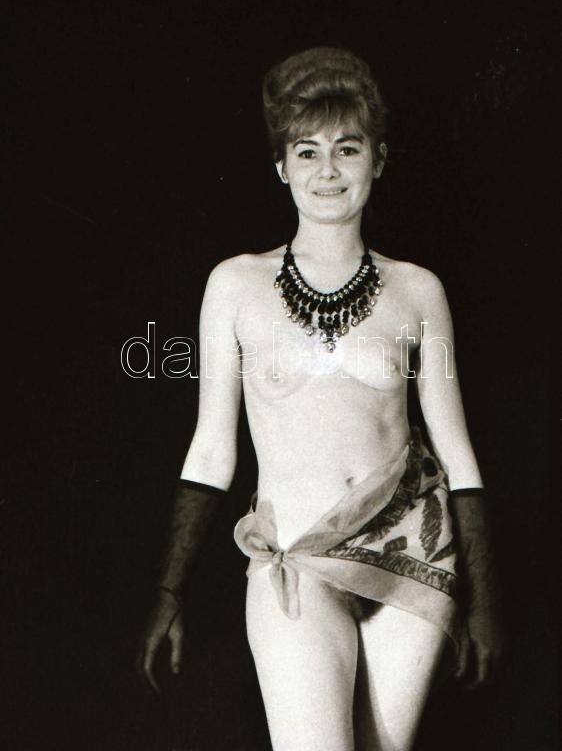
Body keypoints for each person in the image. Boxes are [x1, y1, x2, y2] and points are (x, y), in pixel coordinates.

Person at [138, 47, 506, 751]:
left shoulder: (419, 291)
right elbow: (211, 451)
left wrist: (485, 601)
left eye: (348, 148)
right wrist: (169, 592)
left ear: (379, 159)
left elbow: (457, 453)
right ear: (282, 166)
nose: (328, 170)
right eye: (307, 151)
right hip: (296, 558)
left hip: (413, 557)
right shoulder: (235, 286)